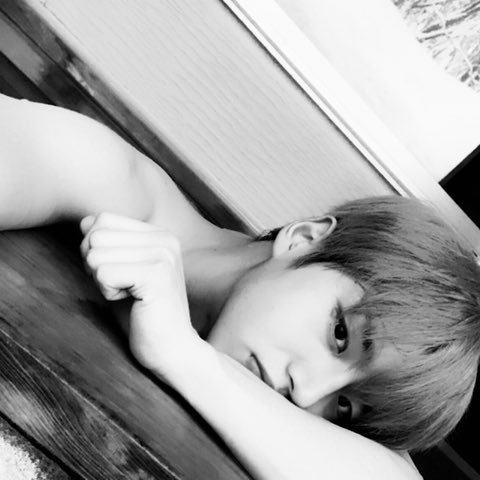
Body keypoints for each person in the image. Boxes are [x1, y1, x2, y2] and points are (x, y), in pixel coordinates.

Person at [1, 92, 479, 479]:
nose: (307, 392)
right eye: (339, 335)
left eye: (344, 407)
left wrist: (183, 355)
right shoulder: (113, 183)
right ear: (303, 240)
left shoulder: (298, 427)